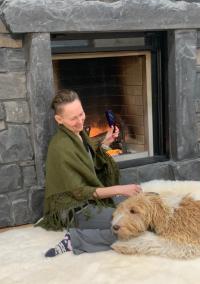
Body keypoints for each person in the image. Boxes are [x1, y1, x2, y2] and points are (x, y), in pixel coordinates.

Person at [37, 89, 142, 257]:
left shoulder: (78, 135)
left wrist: (106, 141)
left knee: (140, 213)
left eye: (81, 114)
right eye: (73, 118)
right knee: (131, 226)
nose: (80, 121)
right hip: (74, 209)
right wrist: (120, 189)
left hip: (88, 203)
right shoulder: (61, 146)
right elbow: (80, 192)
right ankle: (75, 240)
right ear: (59, 119)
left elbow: (87, 157)